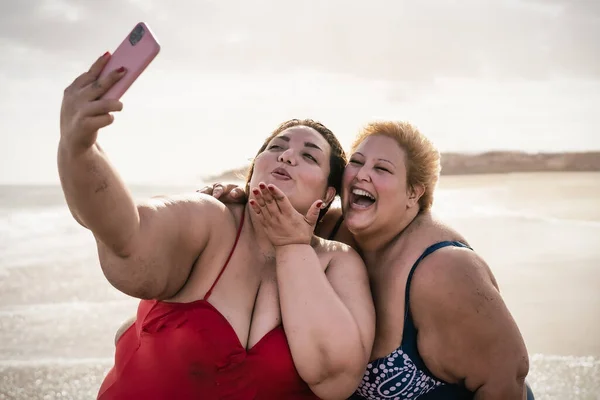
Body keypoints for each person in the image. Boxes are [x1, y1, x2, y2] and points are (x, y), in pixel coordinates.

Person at [58, 52, 375, 400]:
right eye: (276, 147)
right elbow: (125, 233)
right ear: (254, 170)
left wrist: (293, 245)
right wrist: (81, 147)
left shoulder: (337, 262)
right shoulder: (212, 219)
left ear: (329, 192)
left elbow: (336, 379)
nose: (286, 156)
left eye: (309, 156)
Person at [204, 121, 534, 399]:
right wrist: (236, 197)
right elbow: (282, 206)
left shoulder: (444, 270)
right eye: (357, 163)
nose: (362, 175)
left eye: (381, 168)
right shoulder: (330, 227)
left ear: (413, 193)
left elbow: (508, 377)